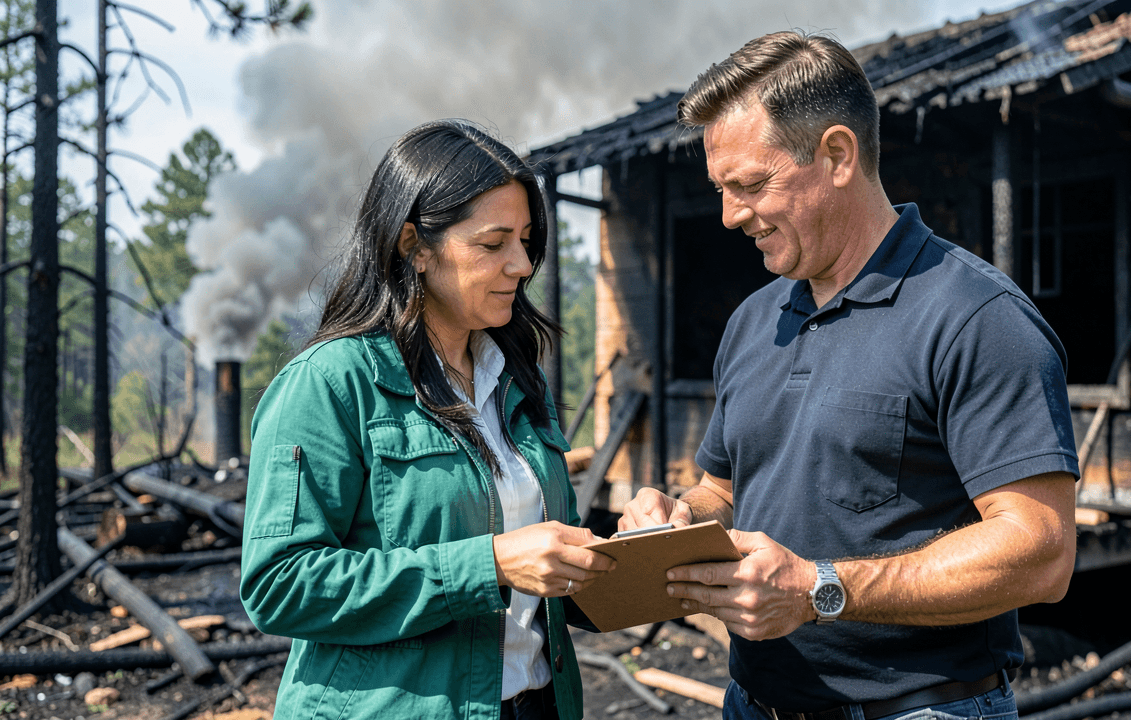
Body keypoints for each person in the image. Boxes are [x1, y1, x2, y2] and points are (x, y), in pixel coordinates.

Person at [620, 31, 1079, 720]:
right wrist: (679, 521)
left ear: (837, 154)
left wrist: (819, 589)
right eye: (720, 189)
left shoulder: (976, 316)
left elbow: (1041, 552)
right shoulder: (754, 319)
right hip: (754, 703)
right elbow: (723, 489)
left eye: (749, 185)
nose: (727, 216)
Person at [240, 119, 613, 720]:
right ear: (413, 246)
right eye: (493, 244)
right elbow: (279, 584)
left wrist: (636, 561)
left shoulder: (516, 377)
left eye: (525, 240)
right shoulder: (332, 383)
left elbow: (542, 568)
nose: (521, 264)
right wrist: (487, 564)